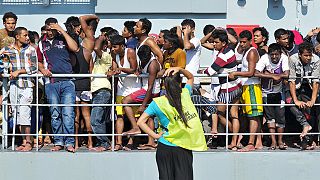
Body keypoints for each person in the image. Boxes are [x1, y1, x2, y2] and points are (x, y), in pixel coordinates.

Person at [135, 67, 207, 180]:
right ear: (179, 83)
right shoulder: (185, 94)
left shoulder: (157, 103)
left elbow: (140, 122)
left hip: (165, 146)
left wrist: (155, 136)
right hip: (183, 146)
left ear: (165, 85)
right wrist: (180, 69)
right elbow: (191, 77)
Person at [37, 17, 78, 152]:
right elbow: (38, 61)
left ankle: (69, 142)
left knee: (68, 113)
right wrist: (42, 69)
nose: (50, 32)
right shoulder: (41, 43)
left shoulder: (63, 38)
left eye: (52, 29)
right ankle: (59, 141)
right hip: (51, 82)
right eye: (48, 29)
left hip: (67, 81)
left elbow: (75, 48)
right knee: (55, 113)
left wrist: (61, 31)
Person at [203, 29, 242, 150]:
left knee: (219, 113)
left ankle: (234, 136)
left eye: (216, 42)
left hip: (228, 88)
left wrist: (204, 71)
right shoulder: (230, 50)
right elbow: (234, 41)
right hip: (237, 86)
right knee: (234, 115)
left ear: (223, 43)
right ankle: (235, 141)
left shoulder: (223, 55)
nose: (214, 44)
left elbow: (209, 71)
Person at [1, 27, 37, 151]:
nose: (27, 37)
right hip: (13, 86)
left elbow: (34, 68)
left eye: (27, 35)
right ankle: (23, 141)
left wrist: (19, 71)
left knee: (25, 113)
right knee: (17, 113)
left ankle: (28, 142)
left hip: (26, 85)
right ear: (17, 36)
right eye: (25, 35)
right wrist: (4, 68)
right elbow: (1, 62)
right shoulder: (7, 49)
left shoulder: (31, 49)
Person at [122, 45, 161, 149]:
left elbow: (150, 87)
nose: (143, 60)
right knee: (149, 116)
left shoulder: (153, 64)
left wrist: (143, 104)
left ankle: (135, 127)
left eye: (144, 58)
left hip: (151, 91)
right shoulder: (144, 60)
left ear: (149, 55)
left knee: (125, 101)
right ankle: (151, 142)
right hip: (147, 89)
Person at [230, 30, 263, 151]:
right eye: (241, 42)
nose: (242, 44)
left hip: (252, 86)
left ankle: (250, 144)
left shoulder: (252, 52)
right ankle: (256, 142)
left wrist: (235, 73)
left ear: (250, 41)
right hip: (246, 87)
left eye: (244, 42)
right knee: (251, 115)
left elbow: (250, 72)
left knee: (253, 115)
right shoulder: (246, 52)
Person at [255, 43, 289, 150]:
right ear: (268, 54)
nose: (274, 57)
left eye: (276, 54)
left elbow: (286, 74)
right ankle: (273, 142)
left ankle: (280, 141)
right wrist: (272, 76)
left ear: (280, 53)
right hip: (266, 93)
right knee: (270, 118)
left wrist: (275, 76)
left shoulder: (284, 58)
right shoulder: (264, 58)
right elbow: (256, 73)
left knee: (281, 118)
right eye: (272, 55)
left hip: (279, 93)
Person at [287, 42, 320, 149]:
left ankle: (308, 139)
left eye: (310, 55)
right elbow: (291, 80)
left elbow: (316, 81)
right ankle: (305, 124)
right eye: (306, 55)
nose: (309, 58)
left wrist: (313, 100)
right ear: (300, 54)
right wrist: (296, 100)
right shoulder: (293, 59)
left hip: (308, 86)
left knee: (310, 109)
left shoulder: (316, 60)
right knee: (290, 103)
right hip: (295, 85)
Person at [90, 34, 113, 152]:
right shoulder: (98, 58)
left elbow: (95, 48)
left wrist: (102, 37)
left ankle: (104, 143)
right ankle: (103, 143)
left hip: (102, 90)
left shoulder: (106, 56)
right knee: (100, 120)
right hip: (98, 91)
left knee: (95, 120)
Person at [181, 19, 201, 90]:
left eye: (186, 28)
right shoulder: (185, 41)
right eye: (183, 29)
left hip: (193, 79)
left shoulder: (196, 40)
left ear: (193, 29)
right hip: (184, 78)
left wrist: (186, 34)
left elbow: (187, 46)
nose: (184, 31)